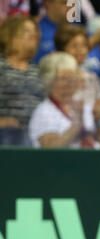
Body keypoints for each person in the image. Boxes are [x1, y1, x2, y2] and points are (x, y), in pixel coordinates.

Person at [28, 52, 100, 148]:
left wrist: (99, 119)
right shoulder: (44, 112)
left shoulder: (83, 105)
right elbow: (50, 149)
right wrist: (77, 123)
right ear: (50, 81)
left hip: (94, 159)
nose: (70, 81)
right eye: (64, 78)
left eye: (72, 76)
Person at [54, 24, 100, 139]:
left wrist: (99, 114)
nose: (80, 51)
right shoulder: (56, 77)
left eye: (84, 46)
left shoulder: (92, 78)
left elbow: (99, 111)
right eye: (74, 46)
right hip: (63, 132)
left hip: (91, 135)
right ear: (62, 49)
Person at [0, 16, 44, 145]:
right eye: (26, 31)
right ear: (10, 35)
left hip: (37, 133)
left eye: (35, 32)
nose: (33, 35)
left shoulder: (37, 71)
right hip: (6, 134)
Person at [33, 0, 100, 65]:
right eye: (65, 2)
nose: (71, 6)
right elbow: (54, 65)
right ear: (48, 4)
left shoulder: (82, 29)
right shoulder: (36, 31)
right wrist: (93, 41)